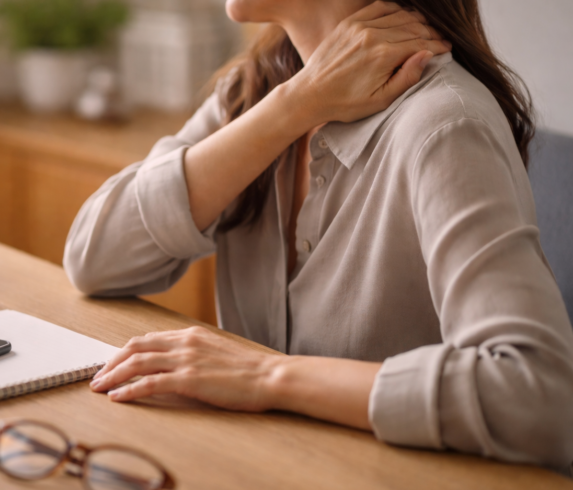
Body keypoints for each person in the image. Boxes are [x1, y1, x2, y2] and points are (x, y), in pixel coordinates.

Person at [64, 0, 573, 469]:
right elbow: (93, 259)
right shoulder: (260, 89)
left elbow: (542, 397)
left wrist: (266, 377)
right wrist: (295, 107)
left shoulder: (442, 125)